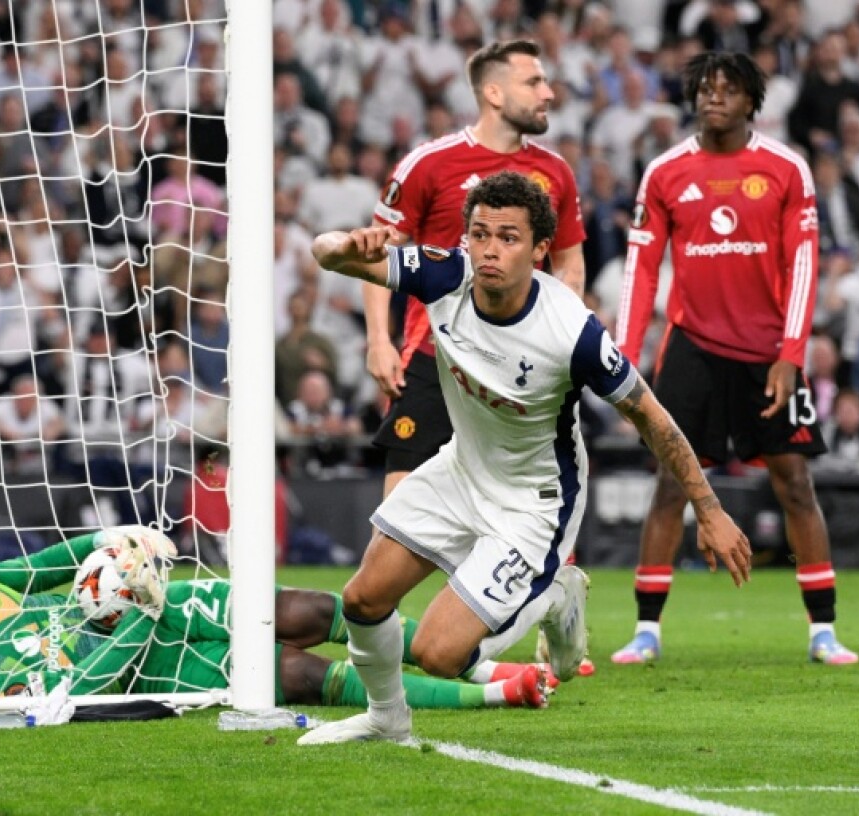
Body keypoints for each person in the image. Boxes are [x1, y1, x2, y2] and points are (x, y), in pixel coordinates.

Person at [299, 171, 751, 745]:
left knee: (438, 654)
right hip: (461, 470)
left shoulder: (571, 332)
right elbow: (328, 255)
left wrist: (708, 510)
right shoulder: (445, 275)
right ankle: (386, 720)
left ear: (541, 250)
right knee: (363, 598)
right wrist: (342, 245)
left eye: (508, 238)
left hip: (533, 503)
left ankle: (557, 592)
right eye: (480, 234)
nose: (490, 249)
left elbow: (651, 416)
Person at [615, 51, 859, 666]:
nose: (713, 97)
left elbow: (803, 262)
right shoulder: (665, 172)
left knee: (795, 484)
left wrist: (791, 354)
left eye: (727, 89)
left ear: (753, 100)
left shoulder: (786, 168)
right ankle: (646, 630)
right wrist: (622, 358)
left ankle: (822, 631)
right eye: (704, 87)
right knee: (671, 485)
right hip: (691, 349)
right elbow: (641, 271)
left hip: (767, 354)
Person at [362, 39, 588, 668]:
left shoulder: (556, 174)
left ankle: (534, 609)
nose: (548, 93)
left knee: (520, 496)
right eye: (534, 81)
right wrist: (379, 338)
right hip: (435, 356)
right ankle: (442, 644)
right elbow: (379, 251)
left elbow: (569, 259)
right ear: (494, 92)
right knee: (401, 514)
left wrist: (556, 330)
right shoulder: (431, 163)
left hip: (519, 373)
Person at [0, 526, 553, 712]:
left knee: (300, 609)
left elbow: (44, 567)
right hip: (137, 657)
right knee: (294, 675)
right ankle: (495, 692)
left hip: (138, 601)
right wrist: (138, 617)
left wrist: (118, 544)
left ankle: (474, 659)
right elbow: (73, 692)